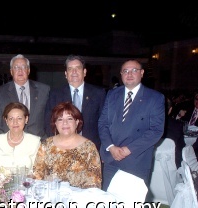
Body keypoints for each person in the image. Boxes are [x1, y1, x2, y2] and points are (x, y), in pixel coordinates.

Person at [98, 59, 165, 190]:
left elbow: (156, 131)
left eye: (134, 70)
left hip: (136, 160)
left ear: (142, 73)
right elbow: (103, 123)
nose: (129, 74)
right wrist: (111, 147)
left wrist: (128, 149)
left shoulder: (155, 98)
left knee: (135, 206)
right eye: (125, 71)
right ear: (121, 74)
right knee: (109, 203)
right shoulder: (112, 94)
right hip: (111, 158)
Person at [33, 102, 102, 188]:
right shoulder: (46, 145)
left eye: (69, 119)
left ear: (77, 122)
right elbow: (37, 176)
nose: (65, 123)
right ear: (55, 123)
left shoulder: (89, 147)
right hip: (50, 196)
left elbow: (94, 183)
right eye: (60, 119)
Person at [45, 55, 106, 149]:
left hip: (91, 148)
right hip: (63, 147)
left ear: (84, 72)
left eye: (78, 68)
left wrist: (103, 149)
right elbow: (49, 122)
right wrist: (54, 146)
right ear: (66, 74)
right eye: (70, 69)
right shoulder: (55, 94)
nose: (74, 72)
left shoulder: (98, 93)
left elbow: (104, 123)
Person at [0, 54, 50, 140]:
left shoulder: (44, 90)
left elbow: (50, 119)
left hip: (39, 143)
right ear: (11, 71)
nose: (20, 70)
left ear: (28, 70)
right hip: (10, 144)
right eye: (16, 67)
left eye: (23, 67)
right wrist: (4, 144)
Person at [0, 102, 41, 173]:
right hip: (0, 183)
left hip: (25, 183)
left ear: (26, 119)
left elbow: (37, 171)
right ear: (6, 121)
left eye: (19, 118)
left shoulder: (34, 142)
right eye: (11, 119)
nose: (15, 122)